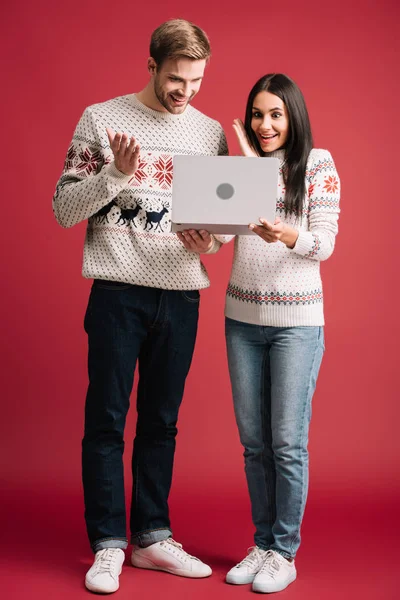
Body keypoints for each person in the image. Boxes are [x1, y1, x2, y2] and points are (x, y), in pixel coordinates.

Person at [53, 19, 227, 594]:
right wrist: (114, 175)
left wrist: (214, 241)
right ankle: (107, 545)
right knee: (105, 420)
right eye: (177, 79)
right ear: (151, 66)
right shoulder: (101, 119)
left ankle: (151, 537)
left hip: (180, 296)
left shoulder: (208, 134)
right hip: (117, 294)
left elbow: (222, 225)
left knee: (162, 422)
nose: (186, 92)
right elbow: (62, 209)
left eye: (197, 80)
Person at [223, 73, 340, 593]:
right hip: (241, 320)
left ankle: (284, 552)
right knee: (254, 444)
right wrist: (202, 234)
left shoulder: (317, 165)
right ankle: (262, 542)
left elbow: (325, 243)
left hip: (296, 323)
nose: (264, 124)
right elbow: (222, 234)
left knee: (287, 443)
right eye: (257, 114)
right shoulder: (241, 168)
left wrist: (286, 232)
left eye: (275, 114)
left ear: (293, 116)